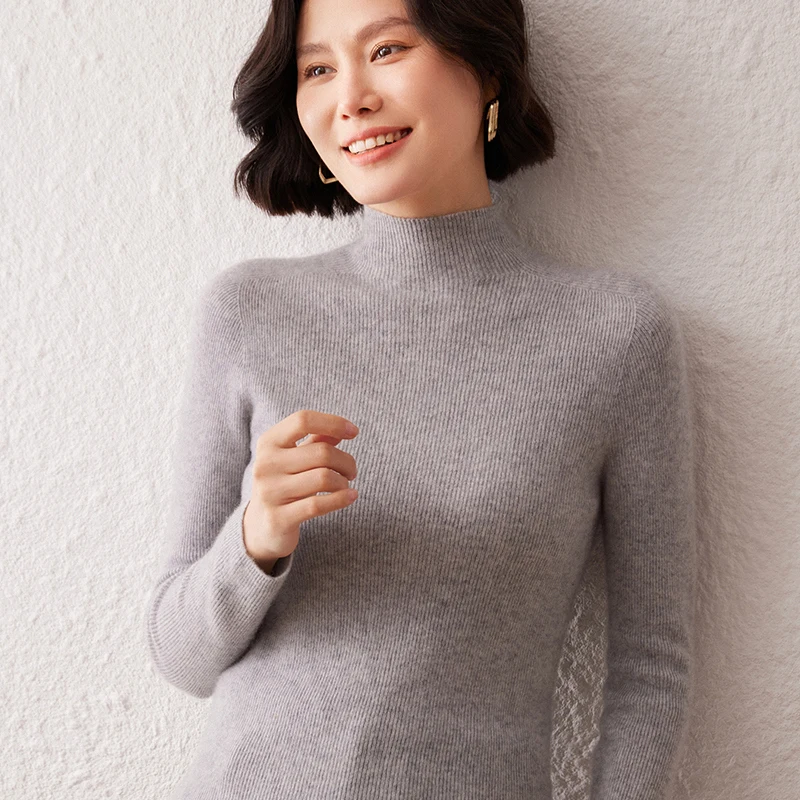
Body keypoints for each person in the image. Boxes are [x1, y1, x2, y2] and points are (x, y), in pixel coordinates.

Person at [144, 0, 697, 797]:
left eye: (388, 50)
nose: (351, 97)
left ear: (488, 69)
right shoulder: (249, 312)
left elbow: (652, 666)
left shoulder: (615, 334)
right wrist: (254, 540)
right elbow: (180, 658)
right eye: (317, 68)